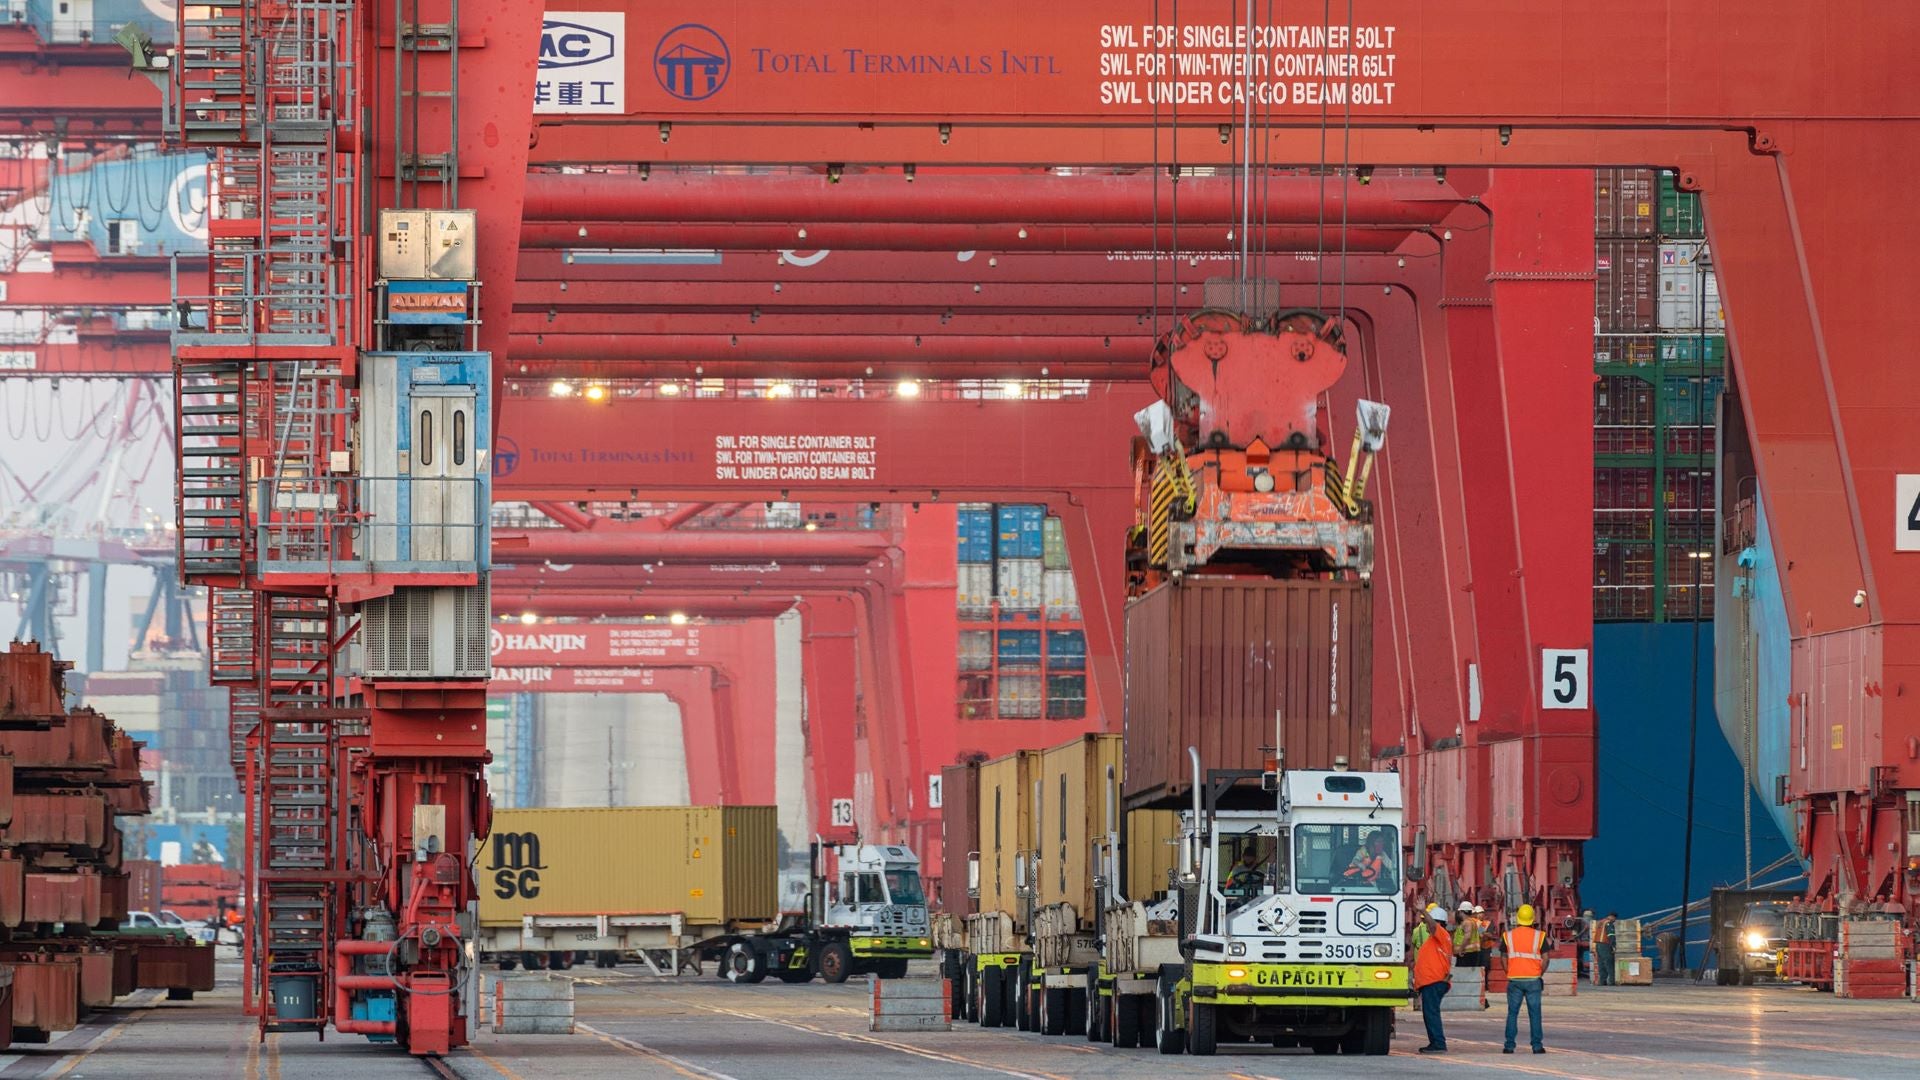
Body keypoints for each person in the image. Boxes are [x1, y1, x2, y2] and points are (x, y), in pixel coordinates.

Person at [1501, 903, 1550, 1054]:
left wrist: (1508, 970)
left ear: (1518, 918)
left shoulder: (1508, 936)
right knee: (1535, 1013)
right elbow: (1546, 958)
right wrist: (1539, 973)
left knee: (1512, 1013)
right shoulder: (1539, 936)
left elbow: (1503, 957)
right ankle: (1537, 1046)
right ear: (1532, 919)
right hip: (1533, 979)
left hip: (1514, 979)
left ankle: (1509, 1046)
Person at [1413, 906, 1454, 1053]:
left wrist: (1423, 911)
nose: (1426, 926)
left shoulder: (1441, 934)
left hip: (1434, 982)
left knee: (1431, 1013)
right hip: (1431, 982)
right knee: (1430, 1013)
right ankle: (1436, 1042)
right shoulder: (1435, 939)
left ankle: (1438, 1043)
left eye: (1427, 923)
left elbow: (1432, 925)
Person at [1454, 901, 1486, 967]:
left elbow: (1468, 937)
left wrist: (1460, 949)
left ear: (1461, 912)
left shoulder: (1467, 922)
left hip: (1466, 953)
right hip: (1472, 952)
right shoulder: (1476, 922)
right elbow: (1482, 934)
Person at [1595, 912, 1618, 986]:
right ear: (1612, 917)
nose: (1614, 920)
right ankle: (1612, 981)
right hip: (1605, 945)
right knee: (1609, 962)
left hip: (1598, 945)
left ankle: (1602, 981)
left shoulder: (1601, 922)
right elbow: (1611, 935)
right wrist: (1613, 946)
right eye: (1614, 919)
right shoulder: (1609, 923)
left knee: (1601, 963)